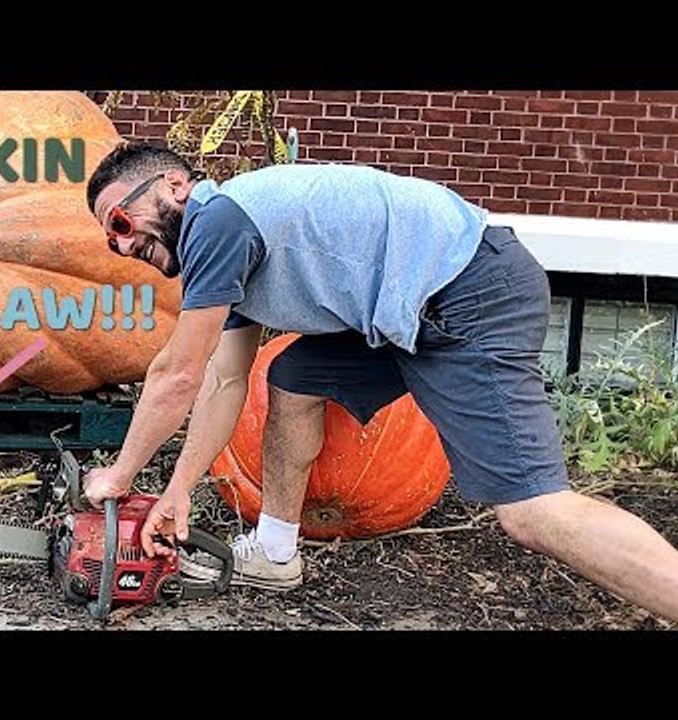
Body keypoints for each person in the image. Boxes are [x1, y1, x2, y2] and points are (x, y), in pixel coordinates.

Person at [81, 141, 678, 621]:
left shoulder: (216, 222)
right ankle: (276, 551)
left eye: (122, 222)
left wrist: (120, 476)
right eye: (111, 240)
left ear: (175, 186)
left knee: (531, 511)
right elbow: (222, 380)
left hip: (469, 295)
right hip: (408, 312)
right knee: (295, 377)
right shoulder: (225, 246)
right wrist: (179, 489)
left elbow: (177, 373)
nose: (123, 245)